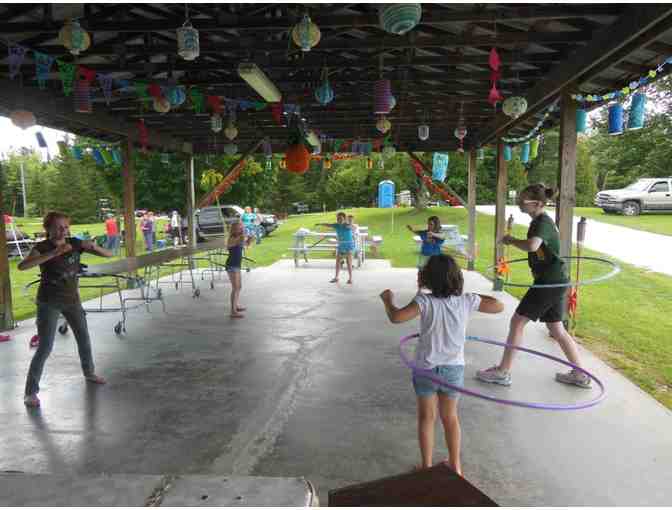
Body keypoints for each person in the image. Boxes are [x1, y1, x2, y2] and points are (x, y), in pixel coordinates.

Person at [380, 254, 504, 475]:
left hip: (426, 369)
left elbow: (396, 317)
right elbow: (498, 306)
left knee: (427, 418)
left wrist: (388, 300)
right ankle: (455, 466)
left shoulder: (424, 301)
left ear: (427, 279)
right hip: (453, 370)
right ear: (457, 278)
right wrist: (473, 296)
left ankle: (427, 468)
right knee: (450, 418)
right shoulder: (466, 301)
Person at [476, 183, 591, 388]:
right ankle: (580, 374)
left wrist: (510, 240)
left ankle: (502, 372)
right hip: (555, 280)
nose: (519, 202)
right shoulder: (538, 221)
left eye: (523, 200)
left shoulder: (542, 222)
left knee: (517, 322)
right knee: (556, 328)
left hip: (549, 282)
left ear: (537, 204)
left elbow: (532, 245)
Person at [18, 211, 112, 408]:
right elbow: (22, 266)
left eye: (66, 227)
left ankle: (89, 373)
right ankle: (30, 392)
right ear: (48, 228)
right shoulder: (42, 247)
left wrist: (92, 246)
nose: (63, 231)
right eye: (58, 227)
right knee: (45, 347)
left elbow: (108, 254)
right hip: (49, 302)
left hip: (72, 301)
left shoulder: (75, 243)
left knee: (84, 338)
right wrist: (54, 253)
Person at [316, 212, 355, 284]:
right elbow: (328, 224)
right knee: (338, 261)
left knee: (348, 262)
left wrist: (350, 224)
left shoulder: (346, 225)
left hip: (348, 245)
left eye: (341, 218)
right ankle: (336, 277)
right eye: (338, 218)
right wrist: (320, 224)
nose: (339, 220)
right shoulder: (336, 225)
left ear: (344, 218)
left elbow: (353, 227)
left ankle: (350, 278)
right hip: (341, 245)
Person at [225, 221, 252, 319]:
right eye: (239, 228)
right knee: (235, 288)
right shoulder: (231, 238)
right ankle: (233, 311)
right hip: (232, 265)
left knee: (238, 287)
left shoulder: (239, 238)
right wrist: (242, 237)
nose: (241, 230)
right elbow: (231, 244)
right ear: (234, 229)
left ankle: (235, 306)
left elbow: (246, 245)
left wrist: (249, 240)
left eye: (241, 228)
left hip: (237, 265)